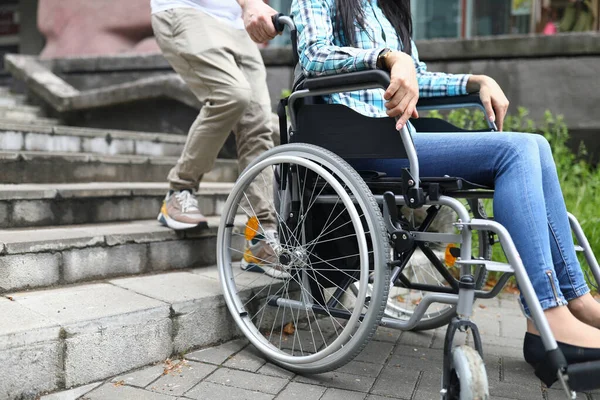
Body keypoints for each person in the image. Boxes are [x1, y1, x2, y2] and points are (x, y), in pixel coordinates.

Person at [289, 0, 600, 378]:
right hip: (357, 140)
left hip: (399, 140)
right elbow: (315, 55)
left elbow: (416, 77)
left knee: (536, 144)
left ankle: (576, 301)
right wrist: (388, 57)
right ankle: (547, 312)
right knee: (516, 151)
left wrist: (475, 82)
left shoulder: (387, 9)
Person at [151, 0, 290, 278]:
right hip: (187, 9)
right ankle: (179, 191)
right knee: (232, 94)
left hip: (237, 22)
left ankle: (261, 237)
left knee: (258, 122)